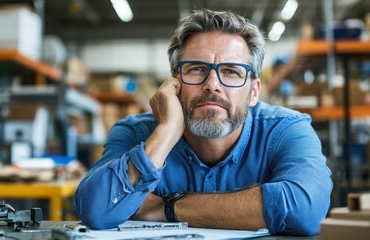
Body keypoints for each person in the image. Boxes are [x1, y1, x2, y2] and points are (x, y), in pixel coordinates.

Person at [74, 9, 332, 236]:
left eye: (231, 72)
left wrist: (165, 208)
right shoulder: (135, 132)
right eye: (196, 69)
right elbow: (96, 209)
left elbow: (306, 209)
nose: (212, 85)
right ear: (174, 83)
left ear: (254, 91)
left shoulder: (287, 130)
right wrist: (167, 130)